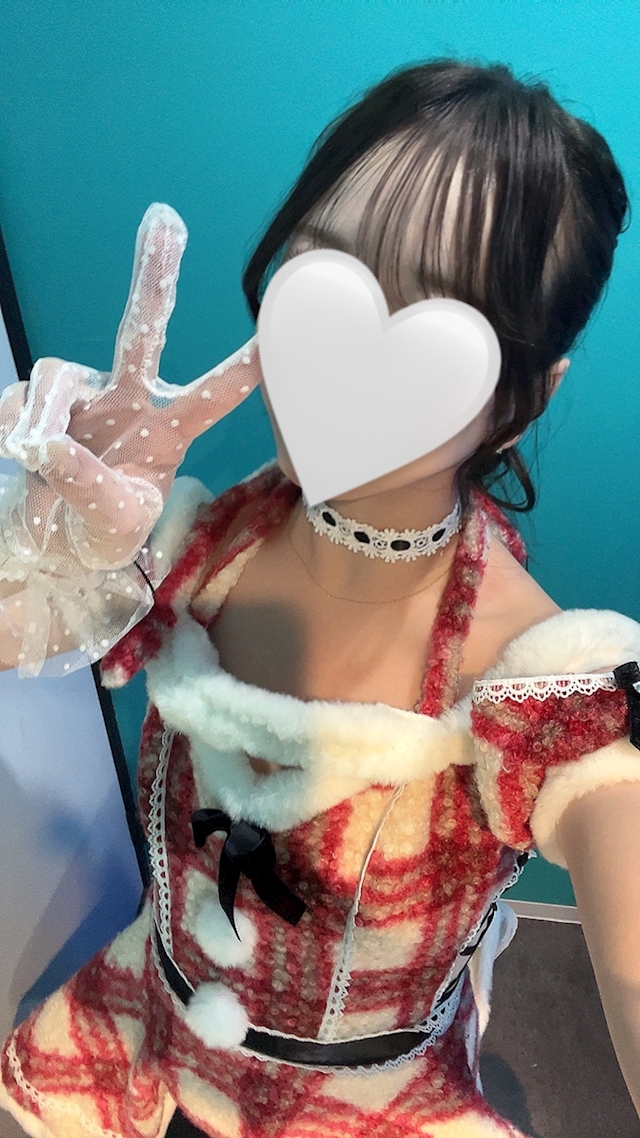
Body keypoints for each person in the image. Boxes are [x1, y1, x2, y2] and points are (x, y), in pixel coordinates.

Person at [0, 57, 639, 1138]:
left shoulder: (538, 686)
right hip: (152, 1020)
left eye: (433, 310)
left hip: (363, 1105)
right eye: (327, 269)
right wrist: (37, 539)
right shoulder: (194, 538)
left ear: (525, 398)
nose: (341, 358)